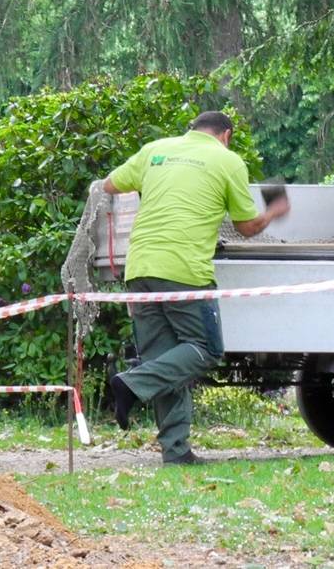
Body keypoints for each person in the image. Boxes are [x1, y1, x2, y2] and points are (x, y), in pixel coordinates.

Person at [101, 110, 289, 465]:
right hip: (184, 270)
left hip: (139, 267)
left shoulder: (155, 150)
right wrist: (273, 212)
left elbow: (110, 185)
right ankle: (132, 384)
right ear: (226, 135)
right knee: (206, 348)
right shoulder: (227, 160)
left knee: (166, 358)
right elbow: (246, 227)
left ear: (193, 130)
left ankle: (176, 452)